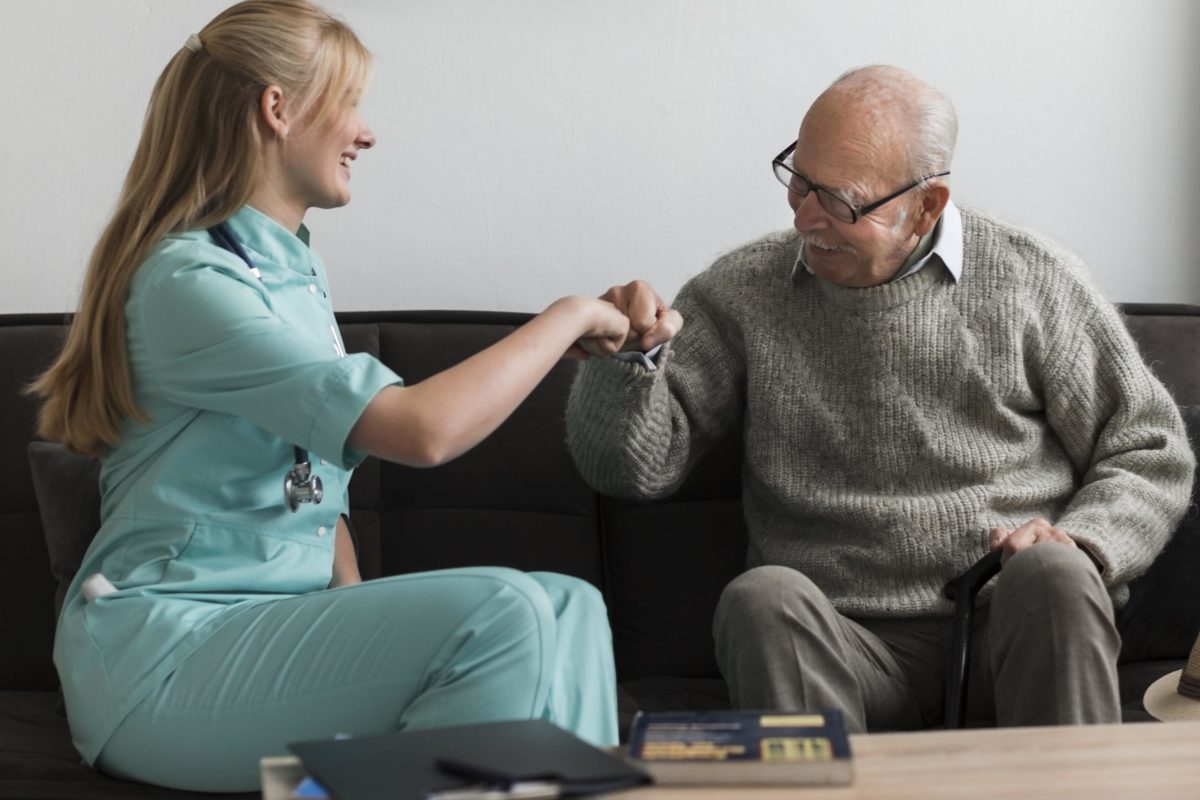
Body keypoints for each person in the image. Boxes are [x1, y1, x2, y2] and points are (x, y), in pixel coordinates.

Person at [29, 1, 626, 792]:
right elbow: (424, 431)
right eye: (349, 102)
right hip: (163, 661)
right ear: (278, 109)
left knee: (570, 605)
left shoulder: (292, 275)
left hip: (266, 638)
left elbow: (316, 501)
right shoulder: (189, 282)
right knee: (506, 608)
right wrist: (569, 318)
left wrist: (364, 632)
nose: (366, 133)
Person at [566, 65, 1195, 732]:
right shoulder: (743, 293)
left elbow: (1149, 447)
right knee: (761, 598)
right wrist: (625, 362)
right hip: (842, 644)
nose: (805, 217)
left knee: (1057, 574)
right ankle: (826, 776)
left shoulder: (1032, 279)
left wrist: (1085, 542)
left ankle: (1070, 777)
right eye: (799, 182)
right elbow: (630, 472)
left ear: (926, 205)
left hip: (1007, 626)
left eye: (841, 201)